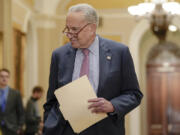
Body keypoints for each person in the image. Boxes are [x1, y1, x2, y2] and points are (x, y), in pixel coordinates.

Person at [43, 3, 143, 135]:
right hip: (65, 130)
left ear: (92, 28)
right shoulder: (59, 55)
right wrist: (48, 127)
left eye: (74, 29)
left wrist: (112, 106)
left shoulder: (119, 52)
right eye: (67, 29)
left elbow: (134, 94)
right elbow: (51, 100)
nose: (69, 34)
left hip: (105, 129)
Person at [0, 68, 25, 135]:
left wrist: (19, 128)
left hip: (12, 128)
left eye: (6, 76)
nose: (4, 78)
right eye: (2, 76)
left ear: (8, 78)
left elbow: (21, 112)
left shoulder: (15, 93)